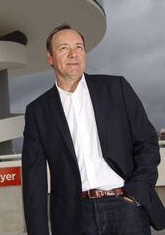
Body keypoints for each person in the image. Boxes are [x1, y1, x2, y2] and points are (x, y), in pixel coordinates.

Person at [22, 24, 165, 235]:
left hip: (126, 207)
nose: (73, 54)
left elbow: (147, 143)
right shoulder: (38, 111)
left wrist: (135, 192)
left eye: (79, 47)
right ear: (50, 58)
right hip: (74, 217)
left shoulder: (116, 88)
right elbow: (34, 179)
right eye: (63, 48)